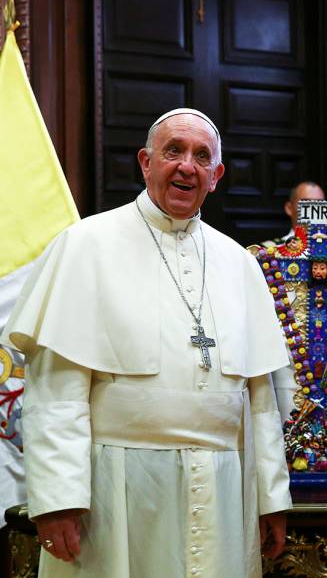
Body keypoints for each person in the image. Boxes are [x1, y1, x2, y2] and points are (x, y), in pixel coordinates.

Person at [1, 108, 293, 577]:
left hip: (223, 491)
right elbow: (57, 392)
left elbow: (261, 402)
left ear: (215, 176)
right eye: (173, 150)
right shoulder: (86, 245)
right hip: (115, 491)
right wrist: (57, 499)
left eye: (201, 157)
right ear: (145, 162)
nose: (186, 166)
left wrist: (271, 498)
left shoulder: (239, 264)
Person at [260, 180, 326, 247]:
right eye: (306, 203)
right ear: (289, 208)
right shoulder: (272, 250)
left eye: (319, 204)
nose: (313, 210)